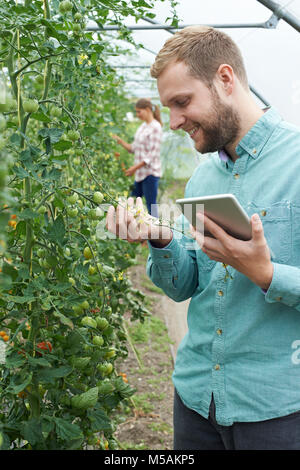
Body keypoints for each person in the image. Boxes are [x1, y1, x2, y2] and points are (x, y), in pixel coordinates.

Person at [106, 25, 300, 450]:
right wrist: (160, 237)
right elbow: (188, 283)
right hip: (195, 397)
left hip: (274, 408)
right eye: (168, 107)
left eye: (182, 102)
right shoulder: (202, 178)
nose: (173, 122)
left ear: (225, 79)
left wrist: (267, 273)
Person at [112, 98, 163, 218]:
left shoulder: (156, 127)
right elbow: (133, 148)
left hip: (150, 174)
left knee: (151, 206)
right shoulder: (143, 127)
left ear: (147, 110)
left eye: (139, 111)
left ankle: (155, 235)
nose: (137, 114)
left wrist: (134, 168)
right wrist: (120, 141)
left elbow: (152, 155)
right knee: (132, 202)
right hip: (140, 174)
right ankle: (135, 230)